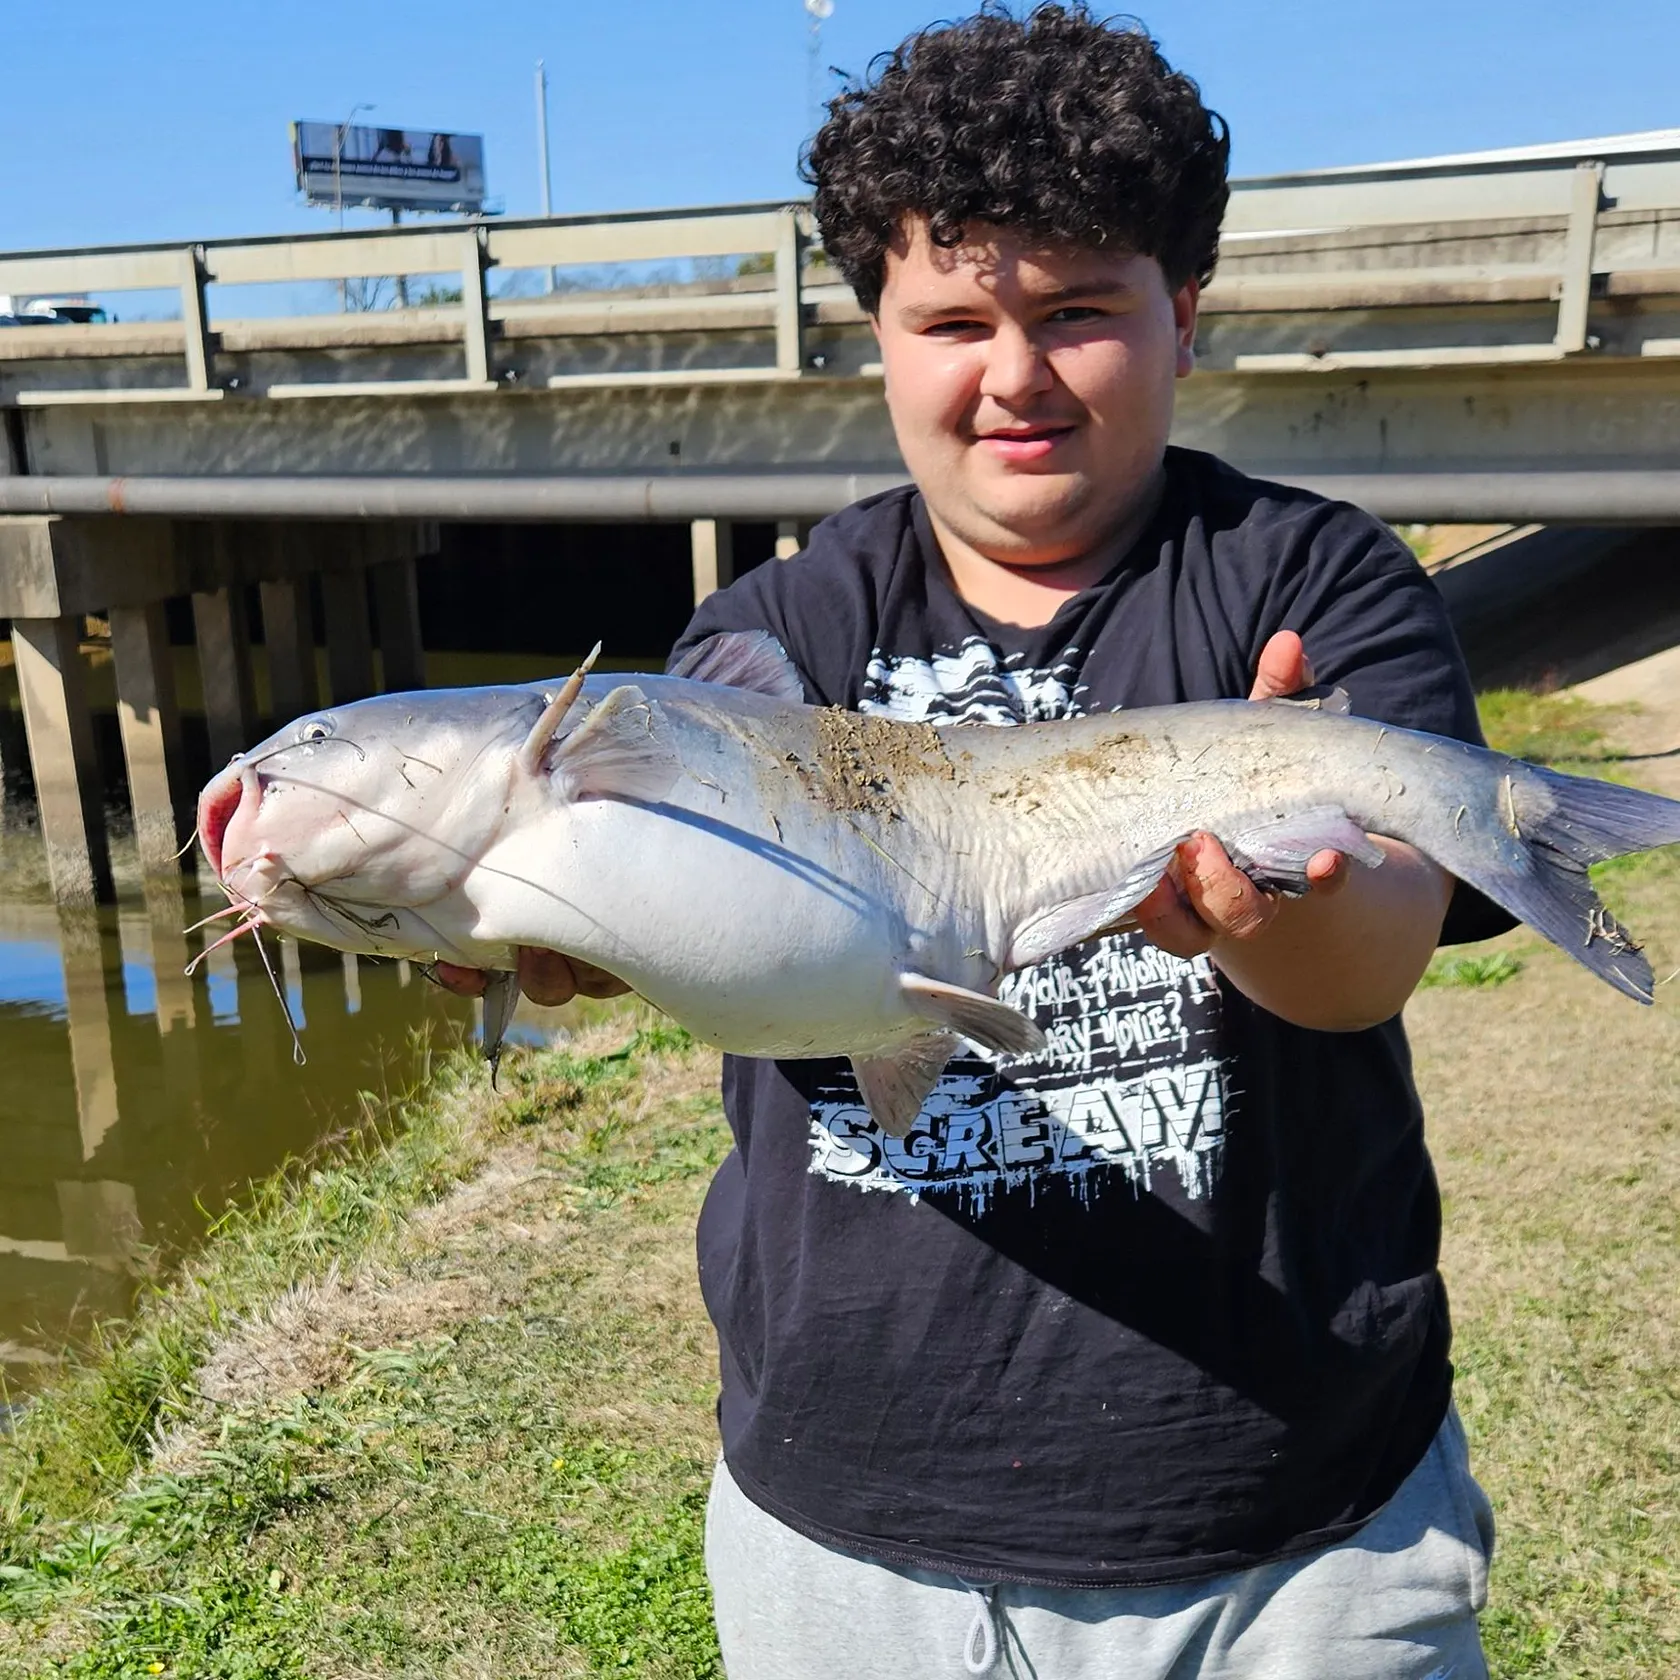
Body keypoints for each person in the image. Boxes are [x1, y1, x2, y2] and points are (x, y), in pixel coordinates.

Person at [442, 6, 1507, 1673]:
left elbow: (1375, 957)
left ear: (1183, 311)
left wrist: (1271, 903)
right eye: (951, 318)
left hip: (1294, 1532)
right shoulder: (766, 646)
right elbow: (687, 917)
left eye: (1079, 310)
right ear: (877, 329)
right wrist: (560, 917)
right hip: (852, 1530)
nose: (1013, 375)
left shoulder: (1316, 580)